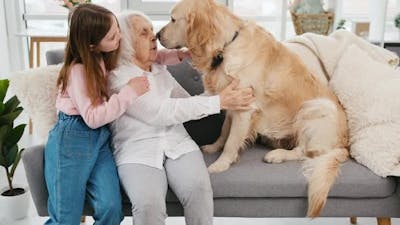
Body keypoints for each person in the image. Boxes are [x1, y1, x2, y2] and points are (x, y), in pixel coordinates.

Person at [109, 10, 255, 225]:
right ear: (126, 42)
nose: (153, 36)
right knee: (149, 204)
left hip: (178, 143)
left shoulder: (159, 69)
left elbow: (186, 100)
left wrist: (223, 93)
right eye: (143, 33)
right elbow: (160, 112)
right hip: (137, 150)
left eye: (152, 30)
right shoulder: (118, 77)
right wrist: (219, 101)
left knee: (199, 190)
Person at [43, 4, 150, 225]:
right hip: (72, 138)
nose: (119, 38)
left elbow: (136, 57)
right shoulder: (77, 71)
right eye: (112, 36)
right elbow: (92, 117)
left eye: (117, 30)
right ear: (91, 44)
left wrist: (170, 56)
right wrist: (130, 92)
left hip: (99, 137)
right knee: (66, 218)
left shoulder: (101, 56)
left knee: (111, 209)